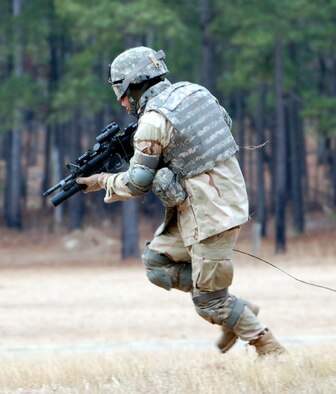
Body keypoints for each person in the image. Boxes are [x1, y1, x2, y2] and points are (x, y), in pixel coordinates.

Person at [76, 46, 286, 357]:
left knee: (209, 303)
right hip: (205, 205)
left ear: (135, 86)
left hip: (212, 216)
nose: (120, 101)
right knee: (157, 264)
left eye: (121, 91)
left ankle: (269, 348)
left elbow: (137, 183)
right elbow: (220, 128)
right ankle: (236, 308)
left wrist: (102, 181)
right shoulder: (195, 92)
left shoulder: (153, 121)